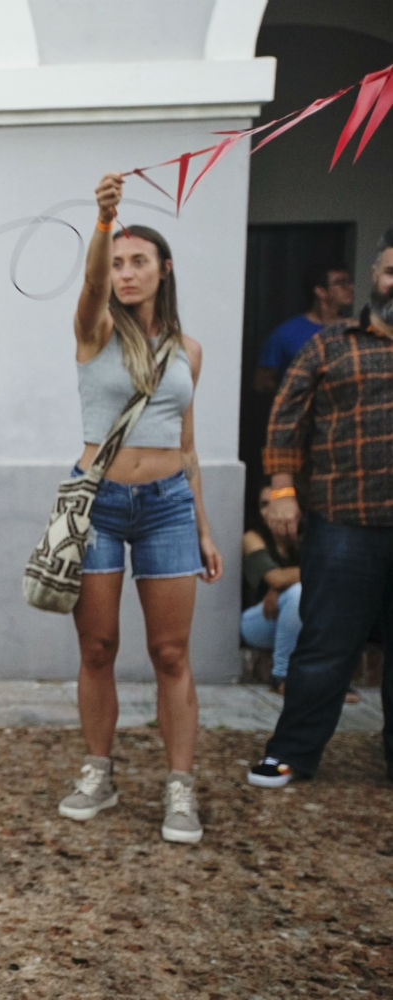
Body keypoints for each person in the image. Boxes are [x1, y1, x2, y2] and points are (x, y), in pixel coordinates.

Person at [58, 173, 222, 845]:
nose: (125, 273)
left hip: (168, 506)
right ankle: (99, 770)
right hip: (98, 502)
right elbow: (92, 287)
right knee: (97, 647)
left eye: (137, 261)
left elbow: (186, 444)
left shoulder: (189, 352)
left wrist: (205, 527)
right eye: (119, 263)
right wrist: (103, 223)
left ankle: (180, 786)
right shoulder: (93, 331)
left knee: (171, 651)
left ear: (163, 271)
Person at [249, 229, 393, 789]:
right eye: (389, 272)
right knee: (323, 646)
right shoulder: (330, 344)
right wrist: (282, 491)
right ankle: (291, 753)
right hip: (343, 523)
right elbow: (286, 418)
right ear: (375, 279)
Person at [253, 263, 355, 394]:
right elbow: (261, 383)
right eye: (341, 283)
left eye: (349, 282)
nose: (351, 287)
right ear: (321, 291)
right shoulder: (286, 333)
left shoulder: (355, 330)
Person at [240, 483, 303, 696]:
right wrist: (283, 586)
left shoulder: (307, 536)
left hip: (301, 620)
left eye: (276, 503)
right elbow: (276, 578)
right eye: (264, 504)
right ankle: (281, 676)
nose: (271, 510)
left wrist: (283, 586)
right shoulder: (253, 537)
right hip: (259, 620)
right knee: (297, 594)